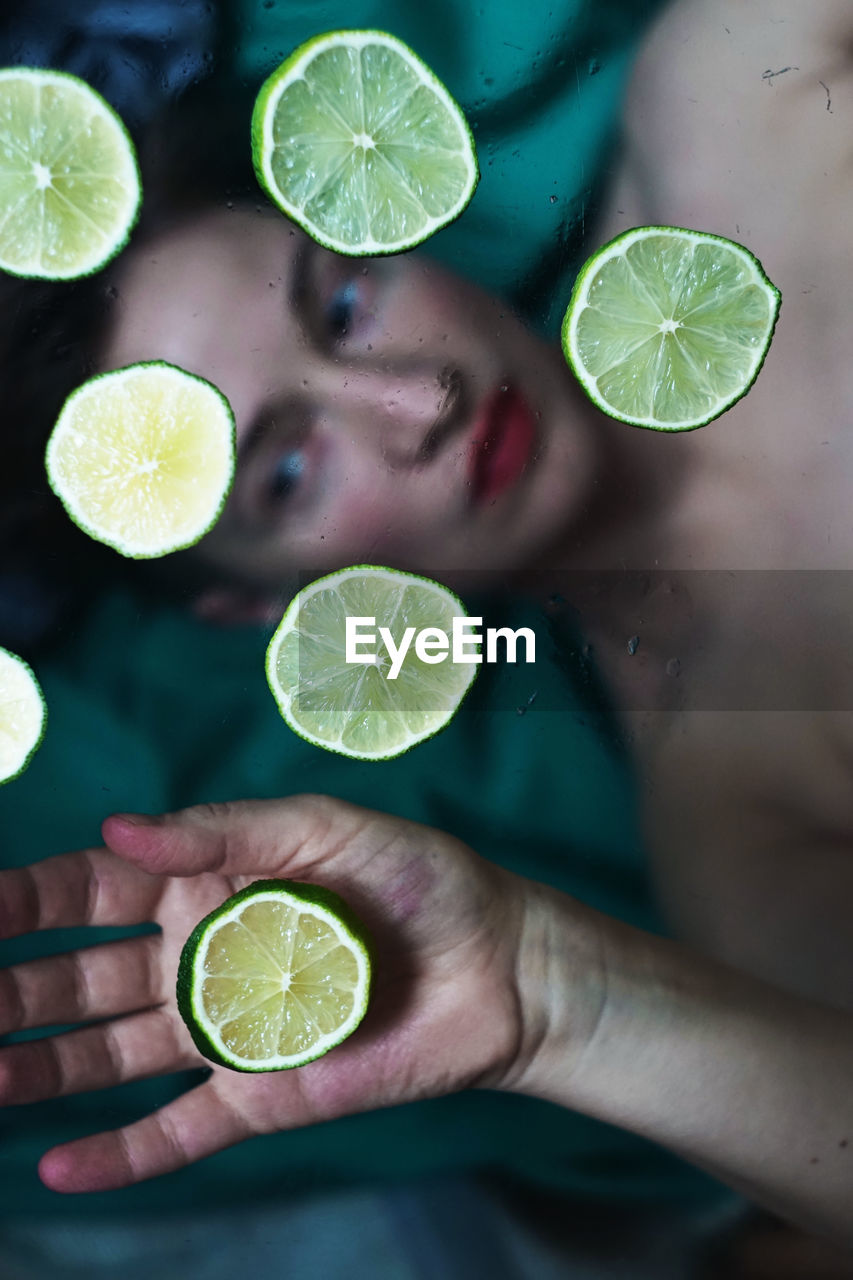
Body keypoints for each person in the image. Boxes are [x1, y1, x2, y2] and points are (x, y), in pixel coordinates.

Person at [2, 0, 853, 1271]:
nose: (417, 400)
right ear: (257, 604)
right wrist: (558, 1000)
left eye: (342, 301)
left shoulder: (732, 109)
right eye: (287, 471)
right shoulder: (736, 820)